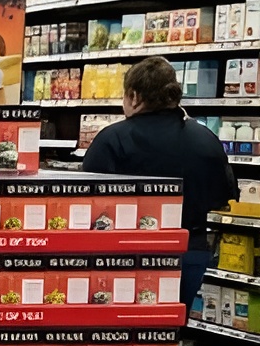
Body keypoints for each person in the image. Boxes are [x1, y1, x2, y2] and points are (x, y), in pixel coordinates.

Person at [84, 56, 237, 307]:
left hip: (125, 254)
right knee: (172, 323)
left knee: (126, 323)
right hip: (189, 251)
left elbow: (87, 201)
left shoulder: (112, 139)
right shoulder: (205, 138)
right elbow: (221, 197)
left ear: (134, 96)